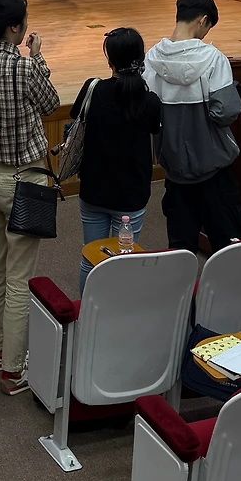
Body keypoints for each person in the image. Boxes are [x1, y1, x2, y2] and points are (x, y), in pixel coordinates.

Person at [0, 0, 60, 395]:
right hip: (23, 180)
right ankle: (13, 371)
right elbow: (52, 104)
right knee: (19, 280)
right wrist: (38, 57)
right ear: (15, 28)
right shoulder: (23, 67)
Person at [144, 0, 241, 257]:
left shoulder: (151, 59)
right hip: (213, 171)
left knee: (180, 250)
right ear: (202, 20)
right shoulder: (214, 59)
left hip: (174, 170)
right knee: (229, 249)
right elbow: (225, 112)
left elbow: (147, 114)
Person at [72, 27, 162, 292]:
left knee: (91, 259)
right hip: (131, 195)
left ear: (109, 60)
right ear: (140, 59)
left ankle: (87, 312)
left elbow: (77, 116)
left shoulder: (93, 90)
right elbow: (155, 128)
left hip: (93, 190)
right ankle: (120, 311)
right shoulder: (149, 101)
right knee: (125, 263)